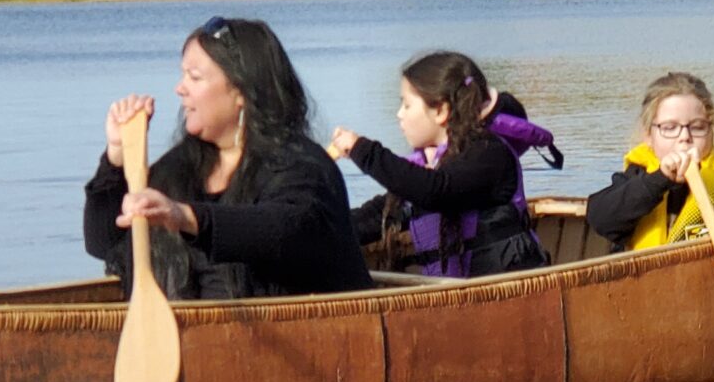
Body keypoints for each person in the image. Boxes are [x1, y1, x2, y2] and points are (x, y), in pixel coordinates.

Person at [83, 16, 372, 299]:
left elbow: (285, 229)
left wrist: (186, 216)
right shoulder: (179, 167)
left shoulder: (302, 166)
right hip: (195, 341)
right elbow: (105, 243)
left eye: (194, 77)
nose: (179, 88)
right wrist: (117, 157)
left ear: (241, 91)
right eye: (182, 75)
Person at [328, 51, 553, 279]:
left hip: (508, 295)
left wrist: (361, 150)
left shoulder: (488, 154)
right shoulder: (430, 166)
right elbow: (378, 216)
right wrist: (321, 232)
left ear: (440, 111)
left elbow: (435, 190)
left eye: (406, 105)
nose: (399, 115)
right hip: (457, 299)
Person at [585, 72, 714, 275]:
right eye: (669, 128)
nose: (684, 137)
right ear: (649, 135)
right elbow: (600, 217)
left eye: (697, 128)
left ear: (711, 131)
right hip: (643, 292)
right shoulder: (637, 177)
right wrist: (660, 180)